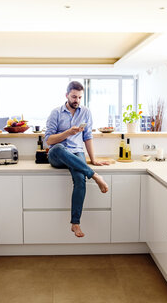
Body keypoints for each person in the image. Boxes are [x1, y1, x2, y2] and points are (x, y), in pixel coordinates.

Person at [45, 81, 110, 238]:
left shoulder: (86, 112)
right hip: (57, 153)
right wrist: (67, 133)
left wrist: (93, 159)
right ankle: (94, 175)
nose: (77, 100)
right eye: (74, 97)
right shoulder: (56, 113)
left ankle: (75, 223)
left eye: (80, 97)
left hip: (76, 152)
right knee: (60, 148)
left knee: (80, 178)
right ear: (66, 95)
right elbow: (49, 140)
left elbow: (87, 137)